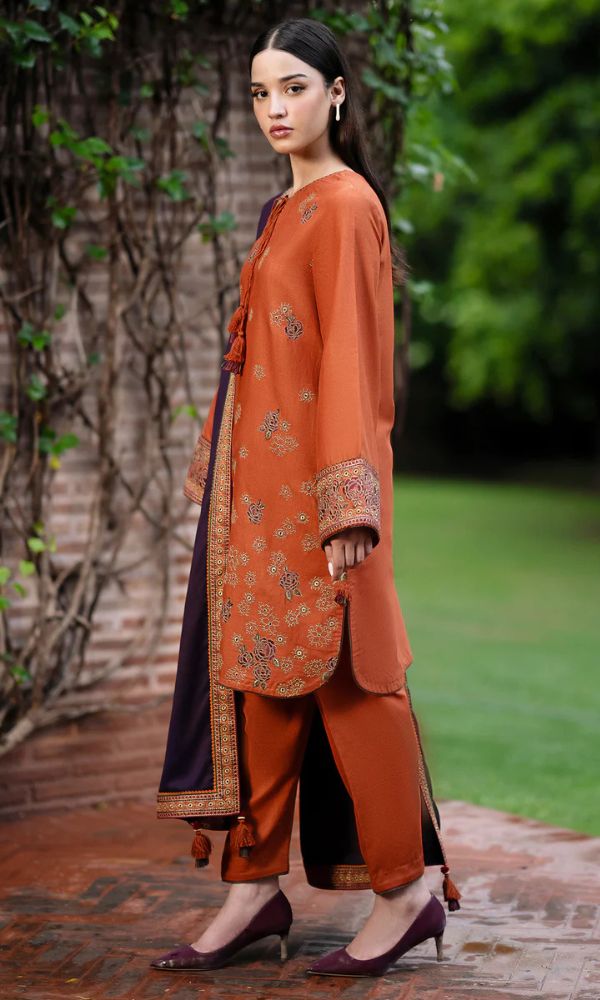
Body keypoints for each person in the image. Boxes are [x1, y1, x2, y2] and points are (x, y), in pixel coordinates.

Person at [152, 16, 461, 979]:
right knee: (259, 688)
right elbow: (254, 359)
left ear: (335, 94)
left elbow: (354, 365)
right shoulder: (278, 210)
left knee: (355, 684)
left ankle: (404, 894)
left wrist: (348, 506)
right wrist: (216, 476)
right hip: (255, 505)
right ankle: (253, 893)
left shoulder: (348, 205)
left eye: (293, 88)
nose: (274, 108)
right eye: (261, 92)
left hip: (321, 504)